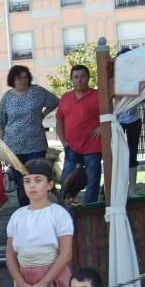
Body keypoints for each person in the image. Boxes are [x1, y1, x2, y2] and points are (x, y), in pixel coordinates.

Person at [5, 159, 73, 287]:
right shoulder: (17, 216)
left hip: (51, 278)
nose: (32, 185)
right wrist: (21, 284)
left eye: (38, 180)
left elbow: (66, 253)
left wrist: (43, 283)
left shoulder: (58, 214)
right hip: (25, 281)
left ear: (49, 184)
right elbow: (10, 255)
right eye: (27, 181)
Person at [0, 65, 59, 206]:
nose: (23, 80)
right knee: (22, 181)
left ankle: (40, 206)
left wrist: (42, 115)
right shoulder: (7, 97)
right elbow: (1, 123)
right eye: (19, 78)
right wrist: (0, 148)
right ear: (12, 79)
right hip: (13, 147)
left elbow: (55, 101)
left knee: (36, 176)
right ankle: (25, 210)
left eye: (25, 77)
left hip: (36, 145)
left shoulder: (37, 92)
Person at [56, 64, 102, 204]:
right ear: (71, 79)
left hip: (92, 147)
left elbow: (110, 114)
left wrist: (102, 127)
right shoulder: (65, 97)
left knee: (92, 181)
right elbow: (59, 120)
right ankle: (66, 208)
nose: (79, 80)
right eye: (76, 77)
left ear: (88, 78)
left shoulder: (98, 95)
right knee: (66, 181)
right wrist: (63, 141)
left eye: (82, 76)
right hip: (71, 147)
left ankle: (90, 209)